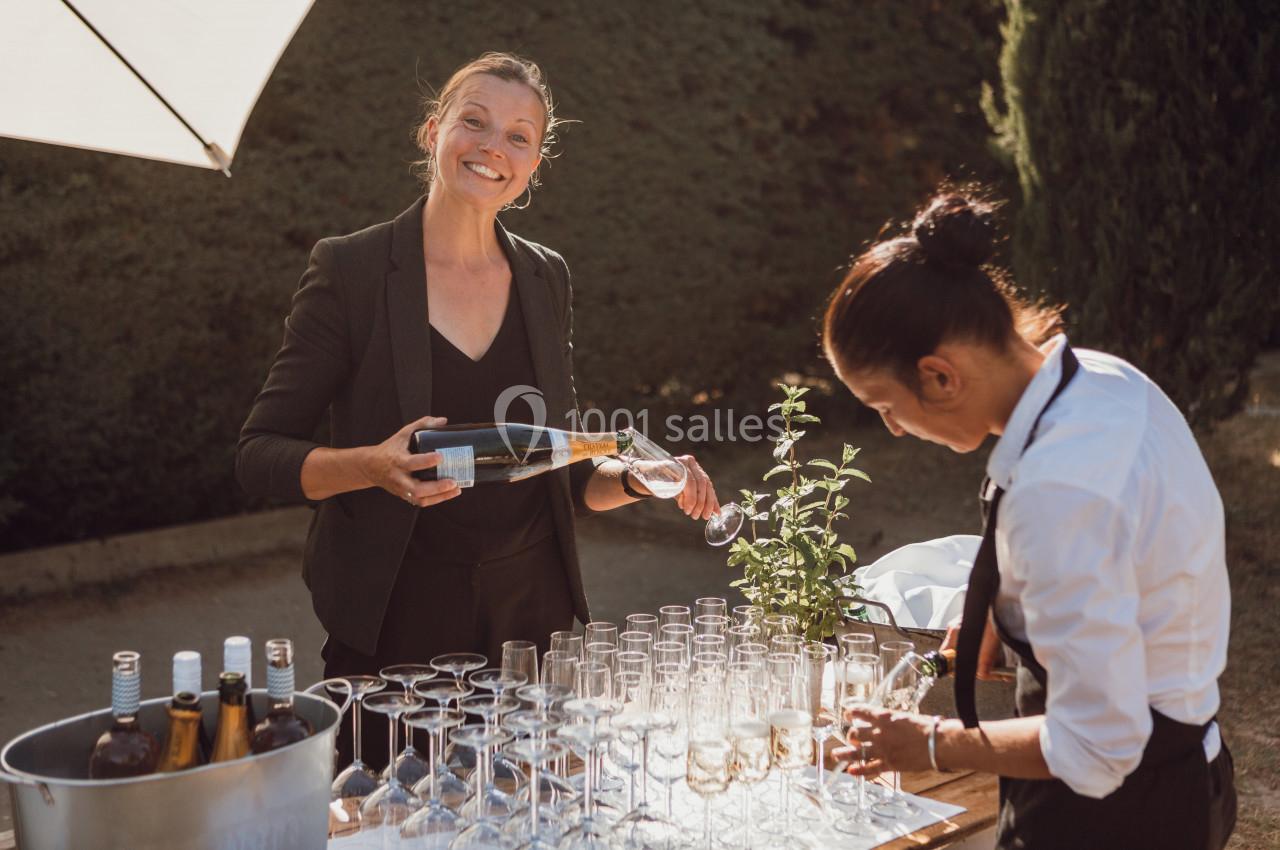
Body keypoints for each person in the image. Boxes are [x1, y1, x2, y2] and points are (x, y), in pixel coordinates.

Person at [236, 52, 722, 768]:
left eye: (519, 136)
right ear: (432, 132)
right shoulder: (353, 270)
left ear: (532, 166)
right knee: (391, 820)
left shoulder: (544, 275)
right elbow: (257, 457)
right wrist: (372, 466)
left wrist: (635, 478)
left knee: (532, 818)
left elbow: (550, 465)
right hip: (396, 626)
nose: (494, 146)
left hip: (535, 626)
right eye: (475, 121)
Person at [823, 190, 1236, 849]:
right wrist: (1005, 609)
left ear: (939, 377)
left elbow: (1101, 746)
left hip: (1118, 819)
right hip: (1196, 773)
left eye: (885, 406)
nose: (894, 430)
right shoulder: (1103, 380)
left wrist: (928, 742)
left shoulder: (1055, 491)